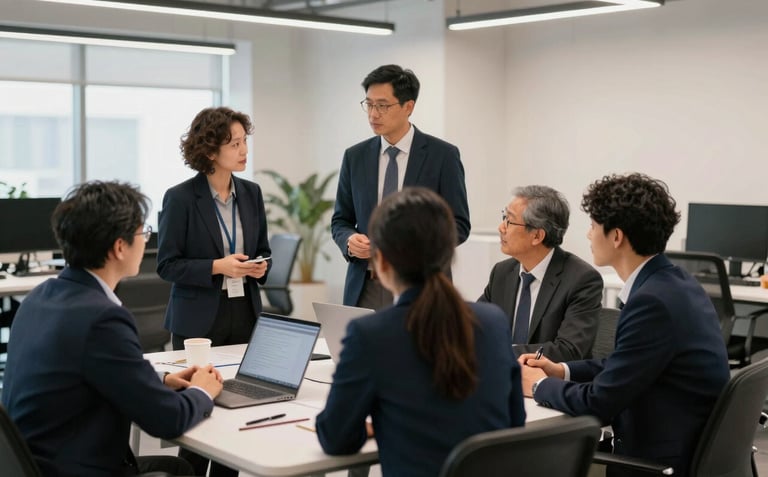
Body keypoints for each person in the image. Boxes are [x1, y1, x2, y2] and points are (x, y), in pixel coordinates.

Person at [1, 181, 223, 477]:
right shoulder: (102, 317)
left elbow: (87, 370)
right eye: (142, 232)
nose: (146, 240)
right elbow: (167, 421)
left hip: (38, 465)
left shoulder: (39, 297)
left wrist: (162, 379)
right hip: (75, 469)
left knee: (178, 467)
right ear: (120, 247)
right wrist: (201, 391)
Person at [520, 173, 730, 477]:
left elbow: (599, 402)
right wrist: (562, 370)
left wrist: (537, 385)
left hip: (656, 461)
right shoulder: (676, 282)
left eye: (592, 227)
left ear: (616, 237)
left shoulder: (652, 302)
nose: (589, 236)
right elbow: (627, 364)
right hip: (684, 444)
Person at [317, 187, 525, 477]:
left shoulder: (370, 334)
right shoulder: (493, 322)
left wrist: (380, 423)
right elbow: (514, 422)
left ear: (383, 262)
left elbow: (335, 438)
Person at [157, 106, 270, 476]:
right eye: (234, 143)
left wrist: (260, 265)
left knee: (236, 416)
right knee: (200, 418)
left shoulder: (251, 194)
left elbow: (263, 247)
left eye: (244, 142)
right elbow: (167, 265)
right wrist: (217, 267)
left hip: (245, 311)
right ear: (209, 151)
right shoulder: (181, 198)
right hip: (198, 320)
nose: (243, 151)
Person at [331, 64, 470, 309]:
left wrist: (409, 249)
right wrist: (349, 240)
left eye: (382, 106)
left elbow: (458, 225)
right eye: (369, 104)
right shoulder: (355, 156)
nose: (373, 114)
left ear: (408, 106)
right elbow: (340, 220)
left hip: (422, 288)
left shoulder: (442, 156)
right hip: (367, 285)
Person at [478, 185, 603, 361]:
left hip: (548, 384)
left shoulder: (582, 280)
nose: (501, 227)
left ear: (537, 236)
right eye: (503, 217)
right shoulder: (502, 272)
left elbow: (569, 350)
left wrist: (500, 352)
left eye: (509, 220)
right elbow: (474, 327)